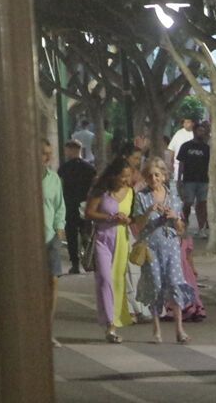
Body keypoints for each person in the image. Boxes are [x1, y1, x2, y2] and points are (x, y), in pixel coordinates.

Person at [131, 159, 193, 344]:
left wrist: (175, 218)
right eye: (149, 175)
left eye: (157, 175)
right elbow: (139, 225)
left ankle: (179, 329)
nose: (153, 178)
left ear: (164, 176)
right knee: (155, 286)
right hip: (150, 247)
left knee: (175, 284)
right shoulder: (141, 197)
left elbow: (181, 228)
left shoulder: (173, 197)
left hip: (171, 246)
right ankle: (156, 329)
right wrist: (150, 210)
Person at [85, 156, 136, 341]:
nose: (125, 180)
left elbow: (134, 217)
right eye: (122, 176)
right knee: (105, 280)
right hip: (102, 239)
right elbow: (89, 213)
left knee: (117, 281)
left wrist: (127, 220)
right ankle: (110, 325)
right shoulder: (101, 191)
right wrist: (110, 218)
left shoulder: (130, 192)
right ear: (113, 175)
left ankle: (118, 318)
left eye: (128, 176)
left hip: (122, 239)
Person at [41, 140, 67, 347]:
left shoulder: (53, 178)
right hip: (29, 238)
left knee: (53, 281)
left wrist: (60, 227)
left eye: (49, 153)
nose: (47, 157)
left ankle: (47, 329)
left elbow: (60, 205)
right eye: (43, 153)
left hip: (50, 237)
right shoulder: (22, 178)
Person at [58, 139, 96, 275]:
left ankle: (75, 264)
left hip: (70, 206)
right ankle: (90, 260)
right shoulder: (90, 169)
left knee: (72, 236)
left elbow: (60, 187)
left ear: (70, 150)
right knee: (87, 234)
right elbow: (94, 188)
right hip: (86, 206)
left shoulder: (64, 169)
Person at [175, 122, 211, 237]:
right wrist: (179, 178)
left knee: (202, 204)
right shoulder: (186, 146)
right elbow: (182, 163)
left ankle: (202, 228)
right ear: (195, 131)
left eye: (203, 131)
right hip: (189, 179)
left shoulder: (206, 148)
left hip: (203, 180)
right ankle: (185, 224)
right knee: (188, 203)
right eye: (199, 130)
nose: (202, 133)